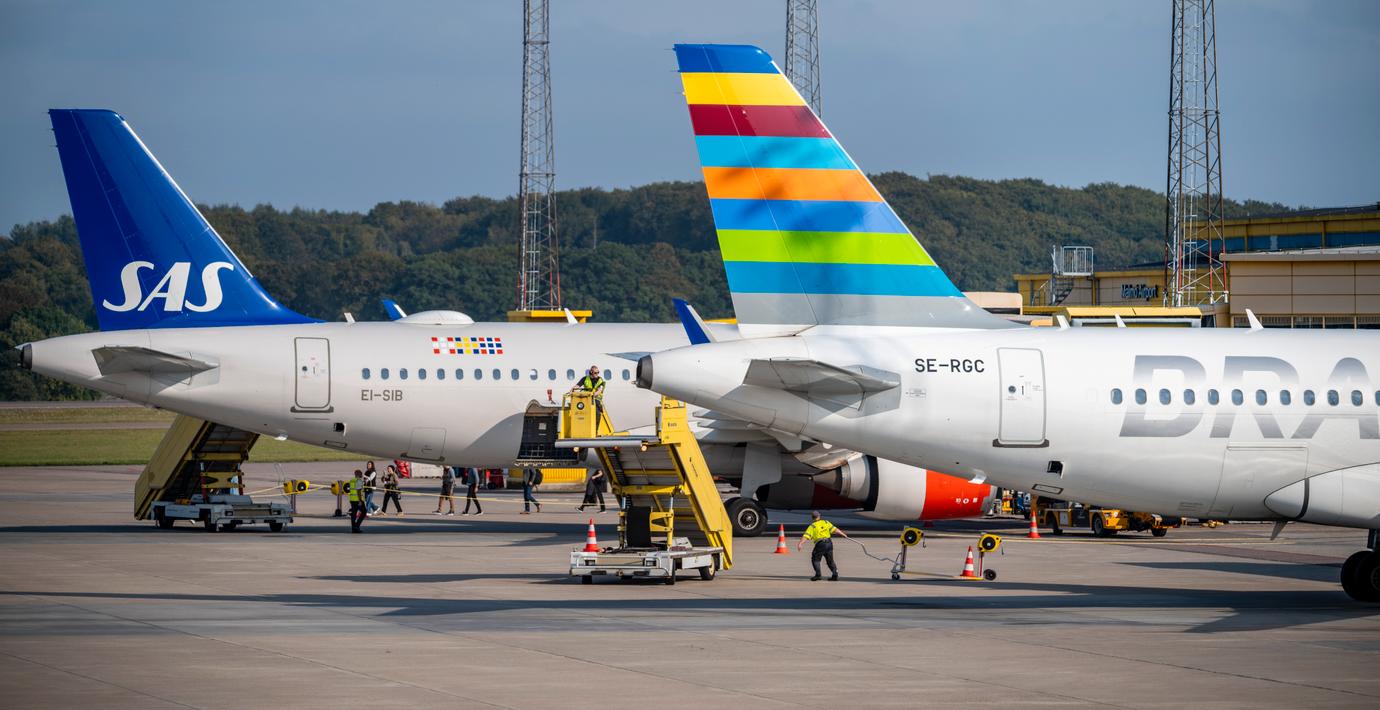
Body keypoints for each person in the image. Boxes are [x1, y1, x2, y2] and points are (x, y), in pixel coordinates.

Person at [797, 510, 848, 581]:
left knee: (815, 559)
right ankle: (835, 575)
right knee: (830, 561)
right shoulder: (826, 522)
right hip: (829, 543)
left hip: (820, 544)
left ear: (812, 518)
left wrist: (800, 543)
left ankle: (818, 575)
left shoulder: (812, 526)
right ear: (819, 516)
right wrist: (843, 534)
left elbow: (806, 536)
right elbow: (835, 529)